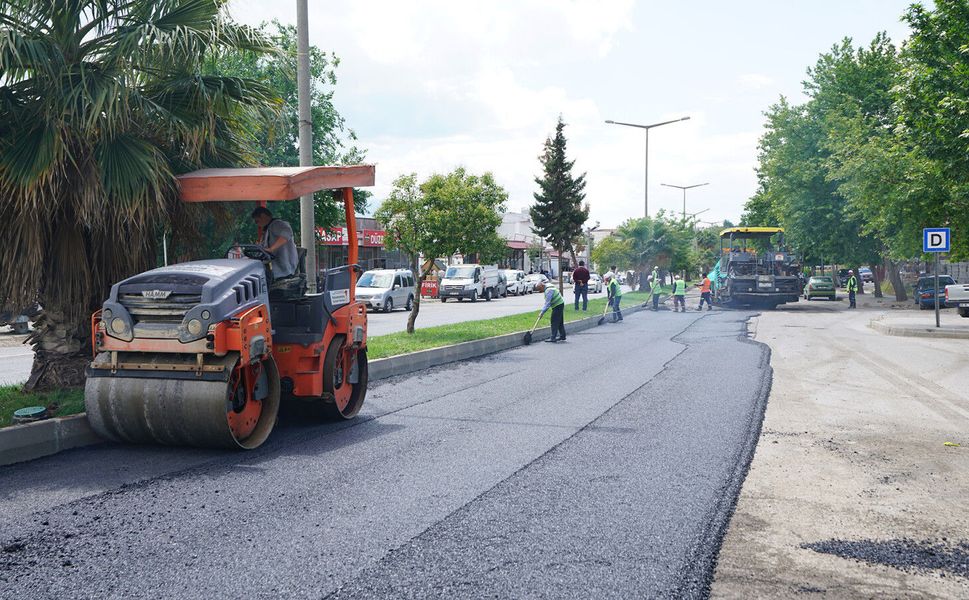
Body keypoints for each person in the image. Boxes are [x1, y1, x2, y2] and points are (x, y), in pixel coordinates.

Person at [251, 207, 298, 279]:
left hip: (283, 270)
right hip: (276, 269)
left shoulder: (277, 224)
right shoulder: (268, 229)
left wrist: (271, 249)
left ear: (263, 216)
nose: (257, 224)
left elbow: (286, 234)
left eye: (257, 221)